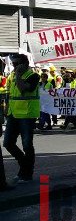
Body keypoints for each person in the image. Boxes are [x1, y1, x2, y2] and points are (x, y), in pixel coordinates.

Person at [1, 54, 40, 184]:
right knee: (7, 143)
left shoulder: (33, 76)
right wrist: (6, 108)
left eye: (17, 64)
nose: (14, 66)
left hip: (27, 115)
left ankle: (27, 173)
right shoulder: (12, 76)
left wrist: (18, 75)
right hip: (13, 114)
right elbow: (11, 94)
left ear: (25, 64)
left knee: (27, 145)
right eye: (13, 64)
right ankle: (25, 166)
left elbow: (23, 89)